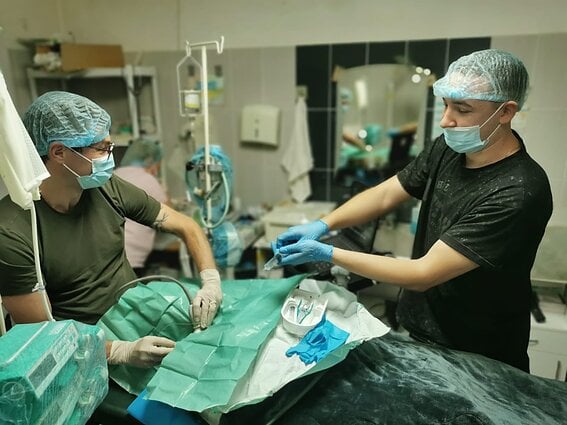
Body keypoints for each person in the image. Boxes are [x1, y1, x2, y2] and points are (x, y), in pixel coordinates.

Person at [273, 49, 552, 372]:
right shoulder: (447, 148)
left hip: (479, 354)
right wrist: (324, 224)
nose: (446, 120)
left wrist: (328, 252)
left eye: (462, 109)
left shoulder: (518, 191)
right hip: (423, 334)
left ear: (505, 112)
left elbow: (423, 274)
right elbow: (386, 194)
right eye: (446, 105)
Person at [0, 91, 222, 368]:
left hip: (134, 311)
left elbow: (187, 225)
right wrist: (120, 351)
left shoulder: (107, 188)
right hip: (84, 350)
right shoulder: (12, 231)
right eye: (101, 148)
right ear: (59, 152)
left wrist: (211, 282)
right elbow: (42, 335)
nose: (110, 156)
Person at [114, 138, 174, 277]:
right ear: (150, 161)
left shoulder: (114, 175)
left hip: (110, 254)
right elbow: (171, 218)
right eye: (157, 166)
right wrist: (165, 192)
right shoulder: (148, 180)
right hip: (131, 258)